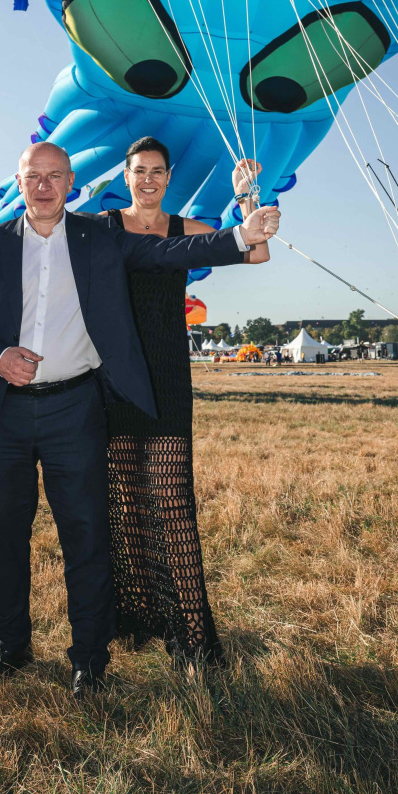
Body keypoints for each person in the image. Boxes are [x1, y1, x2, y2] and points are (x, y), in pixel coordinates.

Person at [0, 142, 278, 699]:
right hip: (2, 411)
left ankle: (90, 659)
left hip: (75, 408)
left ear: (72, 181)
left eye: (56, 176)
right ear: (20, 179)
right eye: (35, 176)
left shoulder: (98, 236)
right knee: (3, 536)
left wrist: (243, 235)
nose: (45, 185)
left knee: (87, 535)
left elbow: (166, 253)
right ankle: (10, 647)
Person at [102, 139, 269, 666]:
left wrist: (246, 197)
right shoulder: (103, 228)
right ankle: (135, 618)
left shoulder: (186, 230)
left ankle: (192, 634)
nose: (148, 179)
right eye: (139, 171)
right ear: (125, 176)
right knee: (124, 502)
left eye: (157, 171)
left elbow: (256, 250)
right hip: (112, 379)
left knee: (172, 503)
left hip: (168, 374)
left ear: (169, 177)